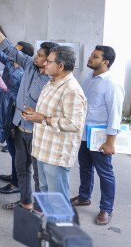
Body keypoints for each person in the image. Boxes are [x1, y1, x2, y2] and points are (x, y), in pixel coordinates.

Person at [0, 15, 59, 212]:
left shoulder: (54, 81)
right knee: (21, 168)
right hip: (19, 127)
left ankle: (40, 208)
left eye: (41, 55)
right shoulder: (29, 66)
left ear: (51, 59)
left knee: (38, 173)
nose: (37, 57)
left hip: (37, 132)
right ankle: (25, 202)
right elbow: (7, 48)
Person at [21, 46, 87, 201]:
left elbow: (74, 124)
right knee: (45, 192)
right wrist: (34, 114)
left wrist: (43, 119)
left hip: (56, 155)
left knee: (56, 197)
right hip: (42, 150)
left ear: (61, 66)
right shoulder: (51, 82)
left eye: (49, 62)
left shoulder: (71, 90)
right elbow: (48, 112)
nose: (44, 64)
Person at [71, 45, 123, 226]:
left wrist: (110, 142)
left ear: (105, 62)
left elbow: (115, 115)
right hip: (84, 134)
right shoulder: (88, 78)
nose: (90, 58)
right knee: (85, 167)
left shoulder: (111, 83)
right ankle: (84, 196)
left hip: (100, 137)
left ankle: (106, 209)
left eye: (95, 56)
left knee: (105, 173)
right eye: (92, 55)